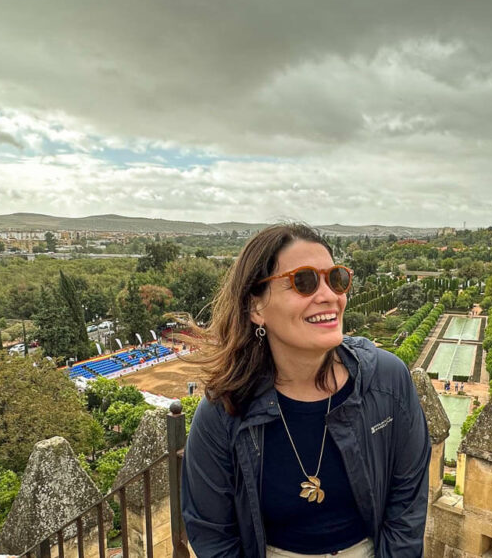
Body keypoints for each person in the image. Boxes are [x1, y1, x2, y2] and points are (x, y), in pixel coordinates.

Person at [181, 224, 431, 558]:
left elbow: (407, 505)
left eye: (336, 278)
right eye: (304, 281)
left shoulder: (387, 382)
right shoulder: (223, 410)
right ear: (256, 308)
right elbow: (212, 535)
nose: (330, 295)